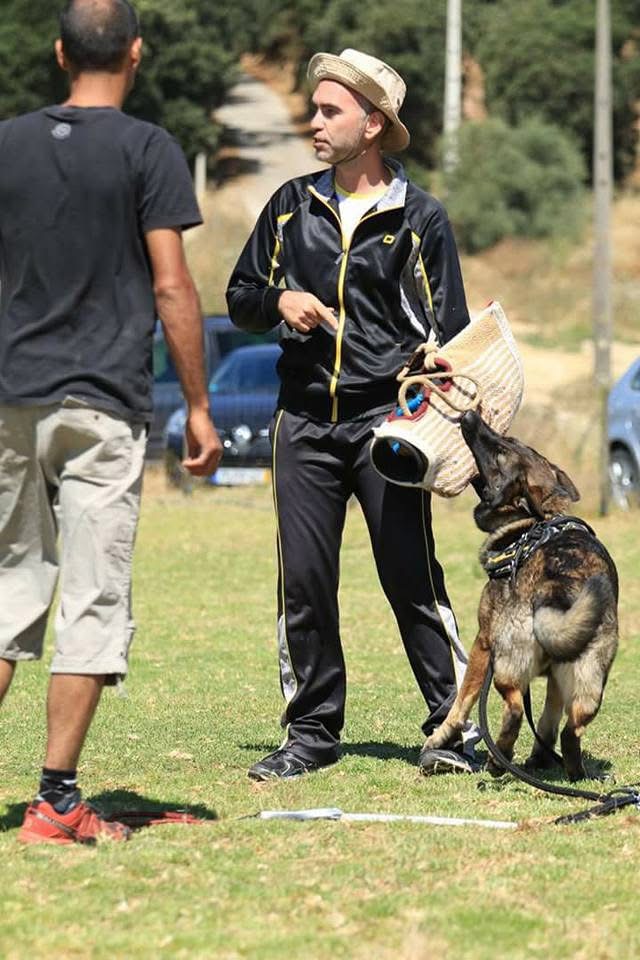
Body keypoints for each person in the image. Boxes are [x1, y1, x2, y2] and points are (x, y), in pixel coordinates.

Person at [0, 0, 222, 844]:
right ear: (136, 51)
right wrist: (198, 405)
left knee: (5, 588)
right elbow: (171, 285)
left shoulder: (7, 143)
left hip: (10, 396)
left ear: (59, 53)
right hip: (100, 403)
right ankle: (57, 801)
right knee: (92, 597)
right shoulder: (147, 149)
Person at [226, 48, 480, 781]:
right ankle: (310, 733)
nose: (314, 121)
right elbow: (240, 295)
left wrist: (434, 367)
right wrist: (279, 301)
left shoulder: (421, 218)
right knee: (304, 581)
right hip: (301, 423)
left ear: (373, 125)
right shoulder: (287, 206)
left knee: (412, 577)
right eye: (316, 109)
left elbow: (450, 329)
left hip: (387, 427)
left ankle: (453, 728)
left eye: (329, 111)